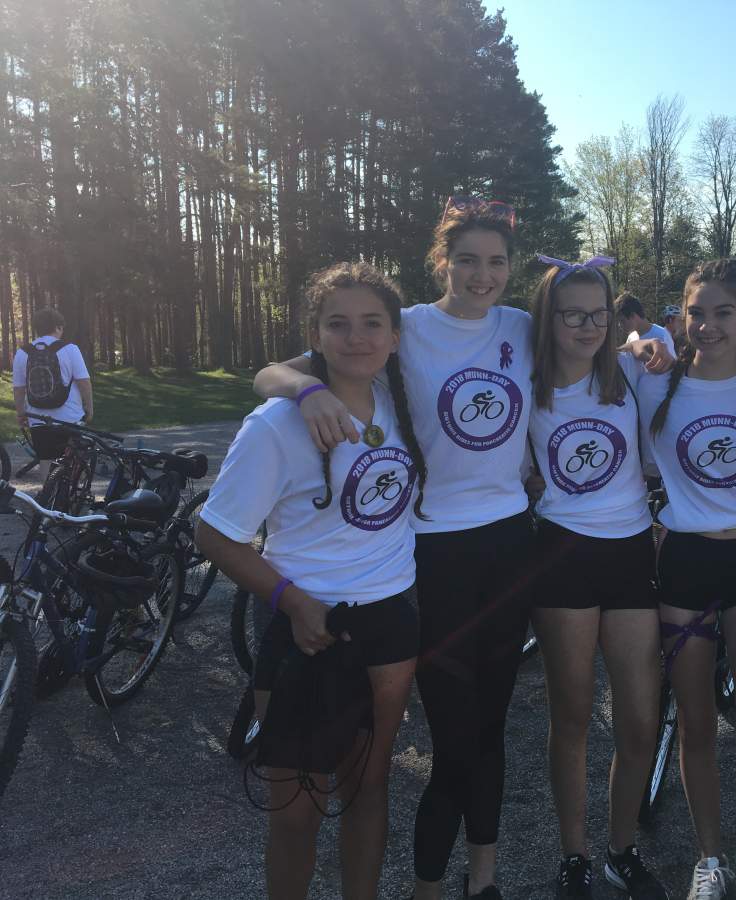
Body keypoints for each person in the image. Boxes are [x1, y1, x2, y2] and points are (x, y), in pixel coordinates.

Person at [252, 198, 673, 900]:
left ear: (512, 270)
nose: (483, 275)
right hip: (433, 551)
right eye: (468, 260)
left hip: (511, 547)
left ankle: (484, 877)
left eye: (497, 262)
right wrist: (304, 391)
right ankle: (427, 884)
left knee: (491, 722)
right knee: (452, 731)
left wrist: (640, 345)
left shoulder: (520, 325)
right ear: (441, 262)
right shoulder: (406, 328)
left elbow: (587, 333)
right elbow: (272, 371)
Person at [197, 262, 425, 899]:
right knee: (296, 808)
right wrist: (291, 602)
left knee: (366, 789)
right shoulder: (275, 424)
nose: (357, 338)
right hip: (302, 626)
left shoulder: (399, 405)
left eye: (372, 324)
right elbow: (212, 534)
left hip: (387, 622)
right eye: (339, 325)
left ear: (395, 335)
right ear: (315, 335)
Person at [526, 254, 667, 900]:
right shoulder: (526, 382)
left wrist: (648, 346)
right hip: (561, 557)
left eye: (597, 314)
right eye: (572, 314)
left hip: (630, 553)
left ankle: (622, 850)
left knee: (639, 721)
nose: (586, 326)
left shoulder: (634, 371)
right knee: (573, 716)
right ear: (548, 318)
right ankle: (576, 855)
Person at [641, 258, 736, 900]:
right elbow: (599, 346)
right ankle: (710, 859)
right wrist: (637, 341)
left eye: (724, 313)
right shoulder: (654, 382)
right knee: (695, 725)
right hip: (686, 566)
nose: (708, 325)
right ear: (682, 315)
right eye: (697, 312)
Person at [12, 307, 94, 480]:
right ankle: (70, 499)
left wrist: (21, 413)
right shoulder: (70, 349)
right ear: (57, 327)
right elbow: (84, 382)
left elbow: (19, 389)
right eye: (62, 327)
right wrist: (89, 408)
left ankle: (49, 499)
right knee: (73, 458)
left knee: (46, 459)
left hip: (38, 417)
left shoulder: (22, 353)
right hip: (70, 417)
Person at [618, 293, 677, 360]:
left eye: (622, 321)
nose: (620, 325)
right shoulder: (631, 338)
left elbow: (673, 365)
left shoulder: (662, 335)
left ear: (633, 316)